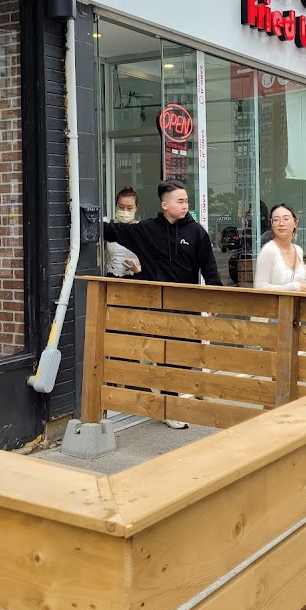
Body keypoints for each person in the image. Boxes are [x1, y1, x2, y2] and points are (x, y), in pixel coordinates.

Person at [103, 179, 222, 428]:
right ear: (165, 205)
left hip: (185, 307)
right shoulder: (147, 230)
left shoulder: (196, 232)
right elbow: (112, 231)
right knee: (161, 355)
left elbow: (209, 268)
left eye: (186, 201)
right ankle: (168, 408)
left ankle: (169, 402)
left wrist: (215, 299)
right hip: (155, 307)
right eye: (180, 201)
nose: (185, 205)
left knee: (181, 357)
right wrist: (80, 218)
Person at [254, 203, 306, 293]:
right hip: (275, 302)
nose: (281, 223)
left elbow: (296, 282)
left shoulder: (298, 250)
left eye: (286, 219)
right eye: (276, 220)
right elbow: (260, 287)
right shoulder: (268, 250)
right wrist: (294, 287)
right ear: (272, 224)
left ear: (295, 223)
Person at [104, 186, 142, 278]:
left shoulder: (141, 229)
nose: (125, 211)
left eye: (129, 208)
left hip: (136, 278)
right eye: (121, 207)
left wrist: (139, 269)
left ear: (136, 208)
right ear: (116, 206)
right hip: (112, 277)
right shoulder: (109, 227)